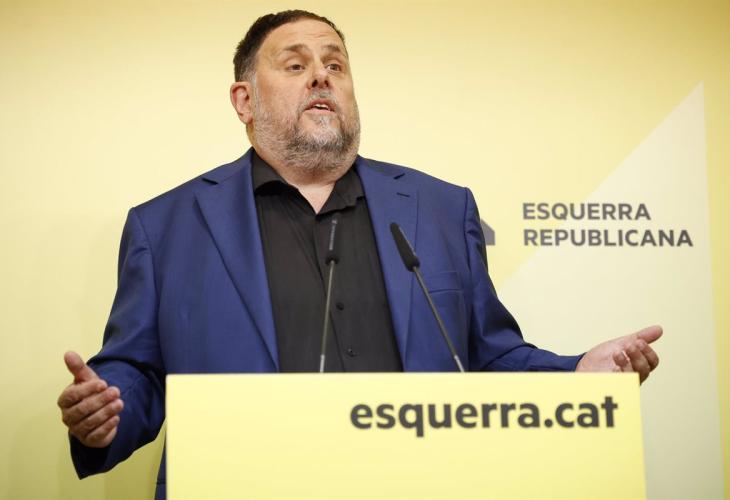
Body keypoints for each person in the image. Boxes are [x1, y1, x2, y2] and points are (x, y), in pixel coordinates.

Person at [57, 10, 662, 499]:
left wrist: (576, 376)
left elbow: (489, 355)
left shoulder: (441, 209)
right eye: (296, 64)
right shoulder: (166, 226)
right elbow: (137, 371)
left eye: (335, 65)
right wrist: (106, 412)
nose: (321, 77)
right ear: (244, 101)